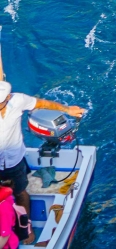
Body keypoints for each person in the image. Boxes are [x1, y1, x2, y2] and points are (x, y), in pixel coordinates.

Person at [0, 63, 85, 242]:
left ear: (7, 98)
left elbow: (41, 103)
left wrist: (68, 110)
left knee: (20, 193)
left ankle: (26, 228)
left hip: (14, 161)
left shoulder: (18, 100)